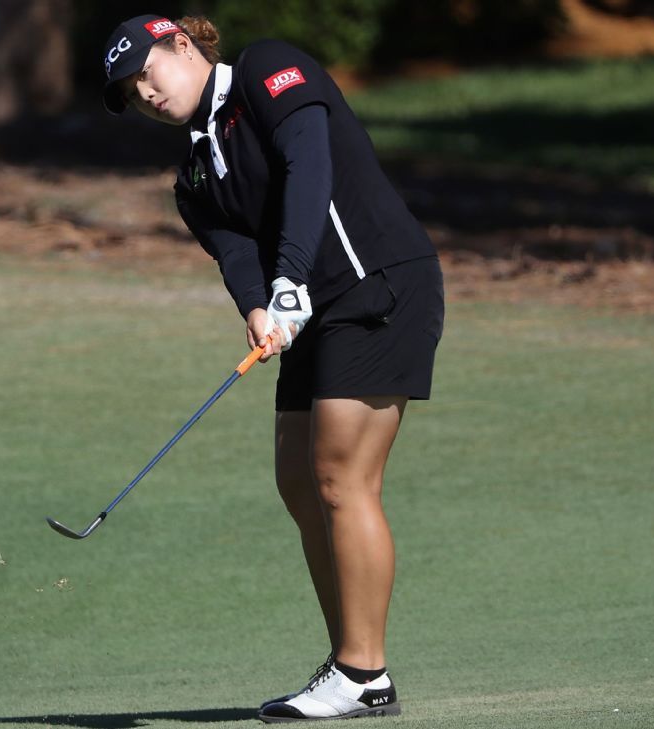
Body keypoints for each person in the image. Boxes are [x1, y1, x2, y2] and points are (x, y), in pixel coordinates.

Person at [100, 14, 445, 722]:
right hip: (308, 310)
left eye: (148, 72)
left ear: (184, 47)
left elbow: (308, 162)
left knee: (340, 476)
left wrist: (289, 278)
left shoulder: (267, 70)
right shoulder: (193, 175)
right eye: (132, 92)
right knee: (298, 480)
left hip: (376, 282)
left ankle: (361, 670)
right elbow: (235, 253)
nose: (146, 93)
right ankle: (352, 662)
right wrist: (260, 308)